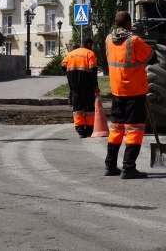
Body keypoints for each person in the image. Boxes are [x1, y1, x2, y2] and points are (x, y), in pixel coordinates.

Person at [104, 11, 156, 179]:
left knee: (116, 128)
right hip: (134, 92)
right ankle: (128, 168)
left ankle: (110, 166)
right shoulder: (134, 41)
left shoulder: (108, 40)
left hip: (117, 91)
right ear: (129, 23)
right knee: (134, 129)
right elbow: (151, 58)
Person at [61, 37, 99, 138]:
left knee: (77, 108)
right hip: (87, 85)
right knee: (89, 108)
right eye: (91, 44)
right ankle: (89, 129)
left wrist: (70, 74)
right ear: (88, 44)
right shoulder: (89, 53)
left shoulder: (71, 54)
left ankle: (80, 130)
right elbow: (93, 71)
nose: (92, 47)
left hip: (74, 85)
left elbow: (63, 65)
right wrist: (95, 85)